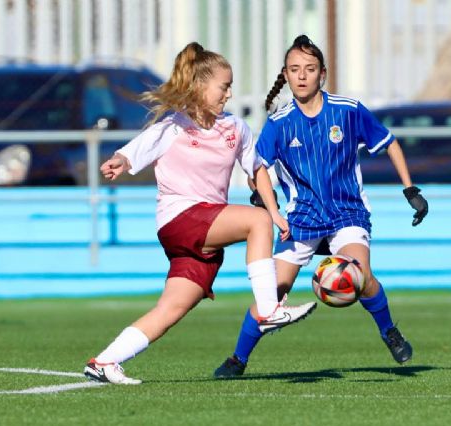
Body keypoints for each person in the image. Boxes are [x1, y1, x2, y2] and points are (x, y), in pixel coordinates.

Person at [83, 42, 316, 385]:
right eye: (224, 86)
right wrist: (121, 160)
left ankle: (103, 362)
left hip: (203, 232)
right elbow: (134, 152)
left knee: (171, 310)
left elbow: (258, 170)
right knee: (256, 222)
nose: (229, 92)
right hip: (181, 220)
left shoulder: (236, 128)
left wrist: (275, 212)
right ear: (199, 86)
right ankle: (268, 309)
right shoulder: (173, 127)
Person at [214, 35, 428, 378]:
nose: (302, 76)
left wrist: (410, 189)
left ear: (322, 74)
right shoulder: (279, 123)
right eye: (295, 69)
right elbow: (257, 168)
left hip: (348, 213)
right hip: (301, 219)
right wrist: (268, 205)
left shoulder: (348, 109)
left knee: (360, 276)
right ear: (285, 74)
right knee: (273, 292)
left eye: (309, 69)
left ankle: (389, 330)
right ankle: (237, 359)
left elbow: (390, 143)